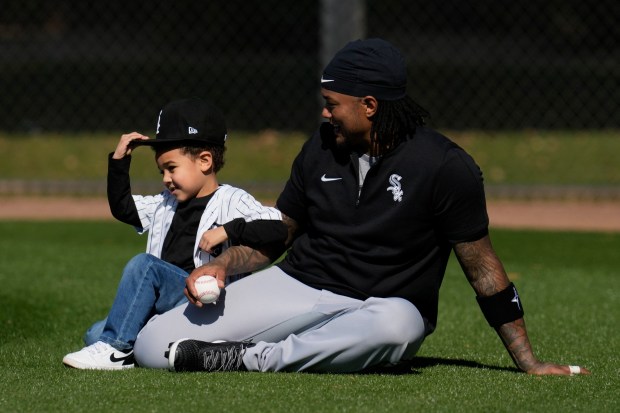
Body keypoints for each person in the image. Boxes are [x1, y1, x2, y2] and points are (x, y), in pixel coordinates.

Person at [132, 39, 590, 376]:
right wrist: (225, 266)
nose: (325, 114)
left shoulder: (445, 166)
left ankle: (250, 358)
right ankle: (274, 348)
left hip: (385, 306)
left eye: (332, 104)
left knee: (398, 329)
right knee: (154, 346)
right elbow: (280, 233)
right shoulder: (320, 148)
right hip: (303, 284)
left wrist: (527, 361)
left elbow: (483, 270)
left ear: (369, 105)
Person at [62, 97, 284, 370]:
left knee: (146, 268)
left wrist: (228, 229)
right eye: (161, 170)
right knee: (94, 333)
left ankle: (117, 351)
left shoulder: (232, 200)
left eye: (171, 168)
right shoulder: (164, 202)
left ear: (204, 161)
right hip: (171, 306)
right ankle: (149, 345)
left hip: (214, 306)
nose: (165, 178)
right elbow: (124, 208)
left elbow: (277, 228)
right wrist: (119, 161)